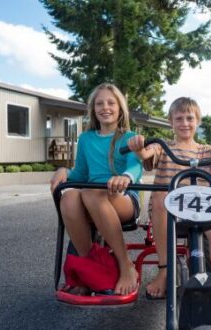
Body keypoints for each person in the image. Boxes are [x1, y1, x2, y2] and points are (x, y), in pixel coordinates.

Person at [127, 97, 211, 299]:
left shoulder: (209, 151)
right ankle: (165, 270)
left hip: (201, 211)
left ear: (198, 121)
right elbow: (146, 153)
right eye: (179, 118)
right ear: (170, 122)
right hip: (168, 212)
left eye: (189, 118)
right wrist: (138, 147)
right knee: (162, 194)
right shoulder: (162, 147)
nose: (184, 123)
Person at [50, 83, 142, 296]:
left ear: (120, 108)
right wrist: (64, 170)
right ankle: (89, 269)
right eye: (99, 103)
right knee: (69, 196)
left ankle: (125, 264)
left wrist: (125, 177)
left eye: (111, 102)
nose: (105, 107)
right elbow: (80, 174)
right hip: (91, 197)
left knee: (90, 193)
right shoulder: (86, 139)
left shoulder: (128, 137)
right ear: (93, 110)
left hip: (123, 198)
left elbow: (135, 165)